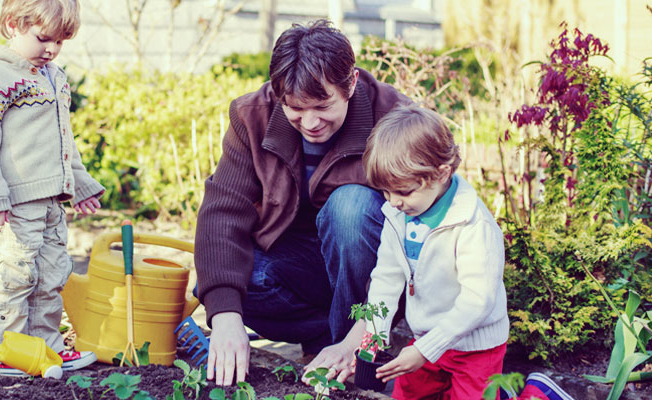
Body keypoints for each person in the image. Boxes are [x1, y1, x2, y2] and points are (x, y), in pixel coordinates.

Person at [193, 19, 412, 386]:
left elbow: (421, 229)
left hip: (373, 269)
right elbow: (223, 212)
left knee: (350, 208)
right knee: (222, 286)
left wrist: (364, 332)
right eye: (295, 107)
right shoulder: (252, 116)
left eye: (322, 105)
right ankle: (326, 338)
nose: (310, 122)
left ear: (351, 83)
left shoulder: (393, 117)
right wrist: (226, 317)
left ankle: (362, 354)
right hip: (298, 265)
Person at [0, 0, 103, 376]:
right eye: (43, 39)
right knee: (18, 276)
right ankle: (14, 351)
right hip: (16, 203)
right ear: (12, 24)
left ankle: (48, 348)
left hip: (52, 202)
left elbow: (63, 139)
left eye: (60, 42)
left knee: (52, 275)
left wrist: (81, 182)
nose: (52, 49)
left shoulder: (53, 76)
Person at [335, 105, 510, 398]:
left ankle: (535, 393)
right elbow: (386, 278)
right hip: (426, 340)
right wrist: (373, 336)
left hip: (474, 348)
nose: (393, 202)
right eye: (385, 192)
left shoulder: (472, 225)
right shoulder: (397, 215)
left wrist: (425, 351)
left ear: (441, 174)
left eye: (403, 192)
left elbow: (477, 302)